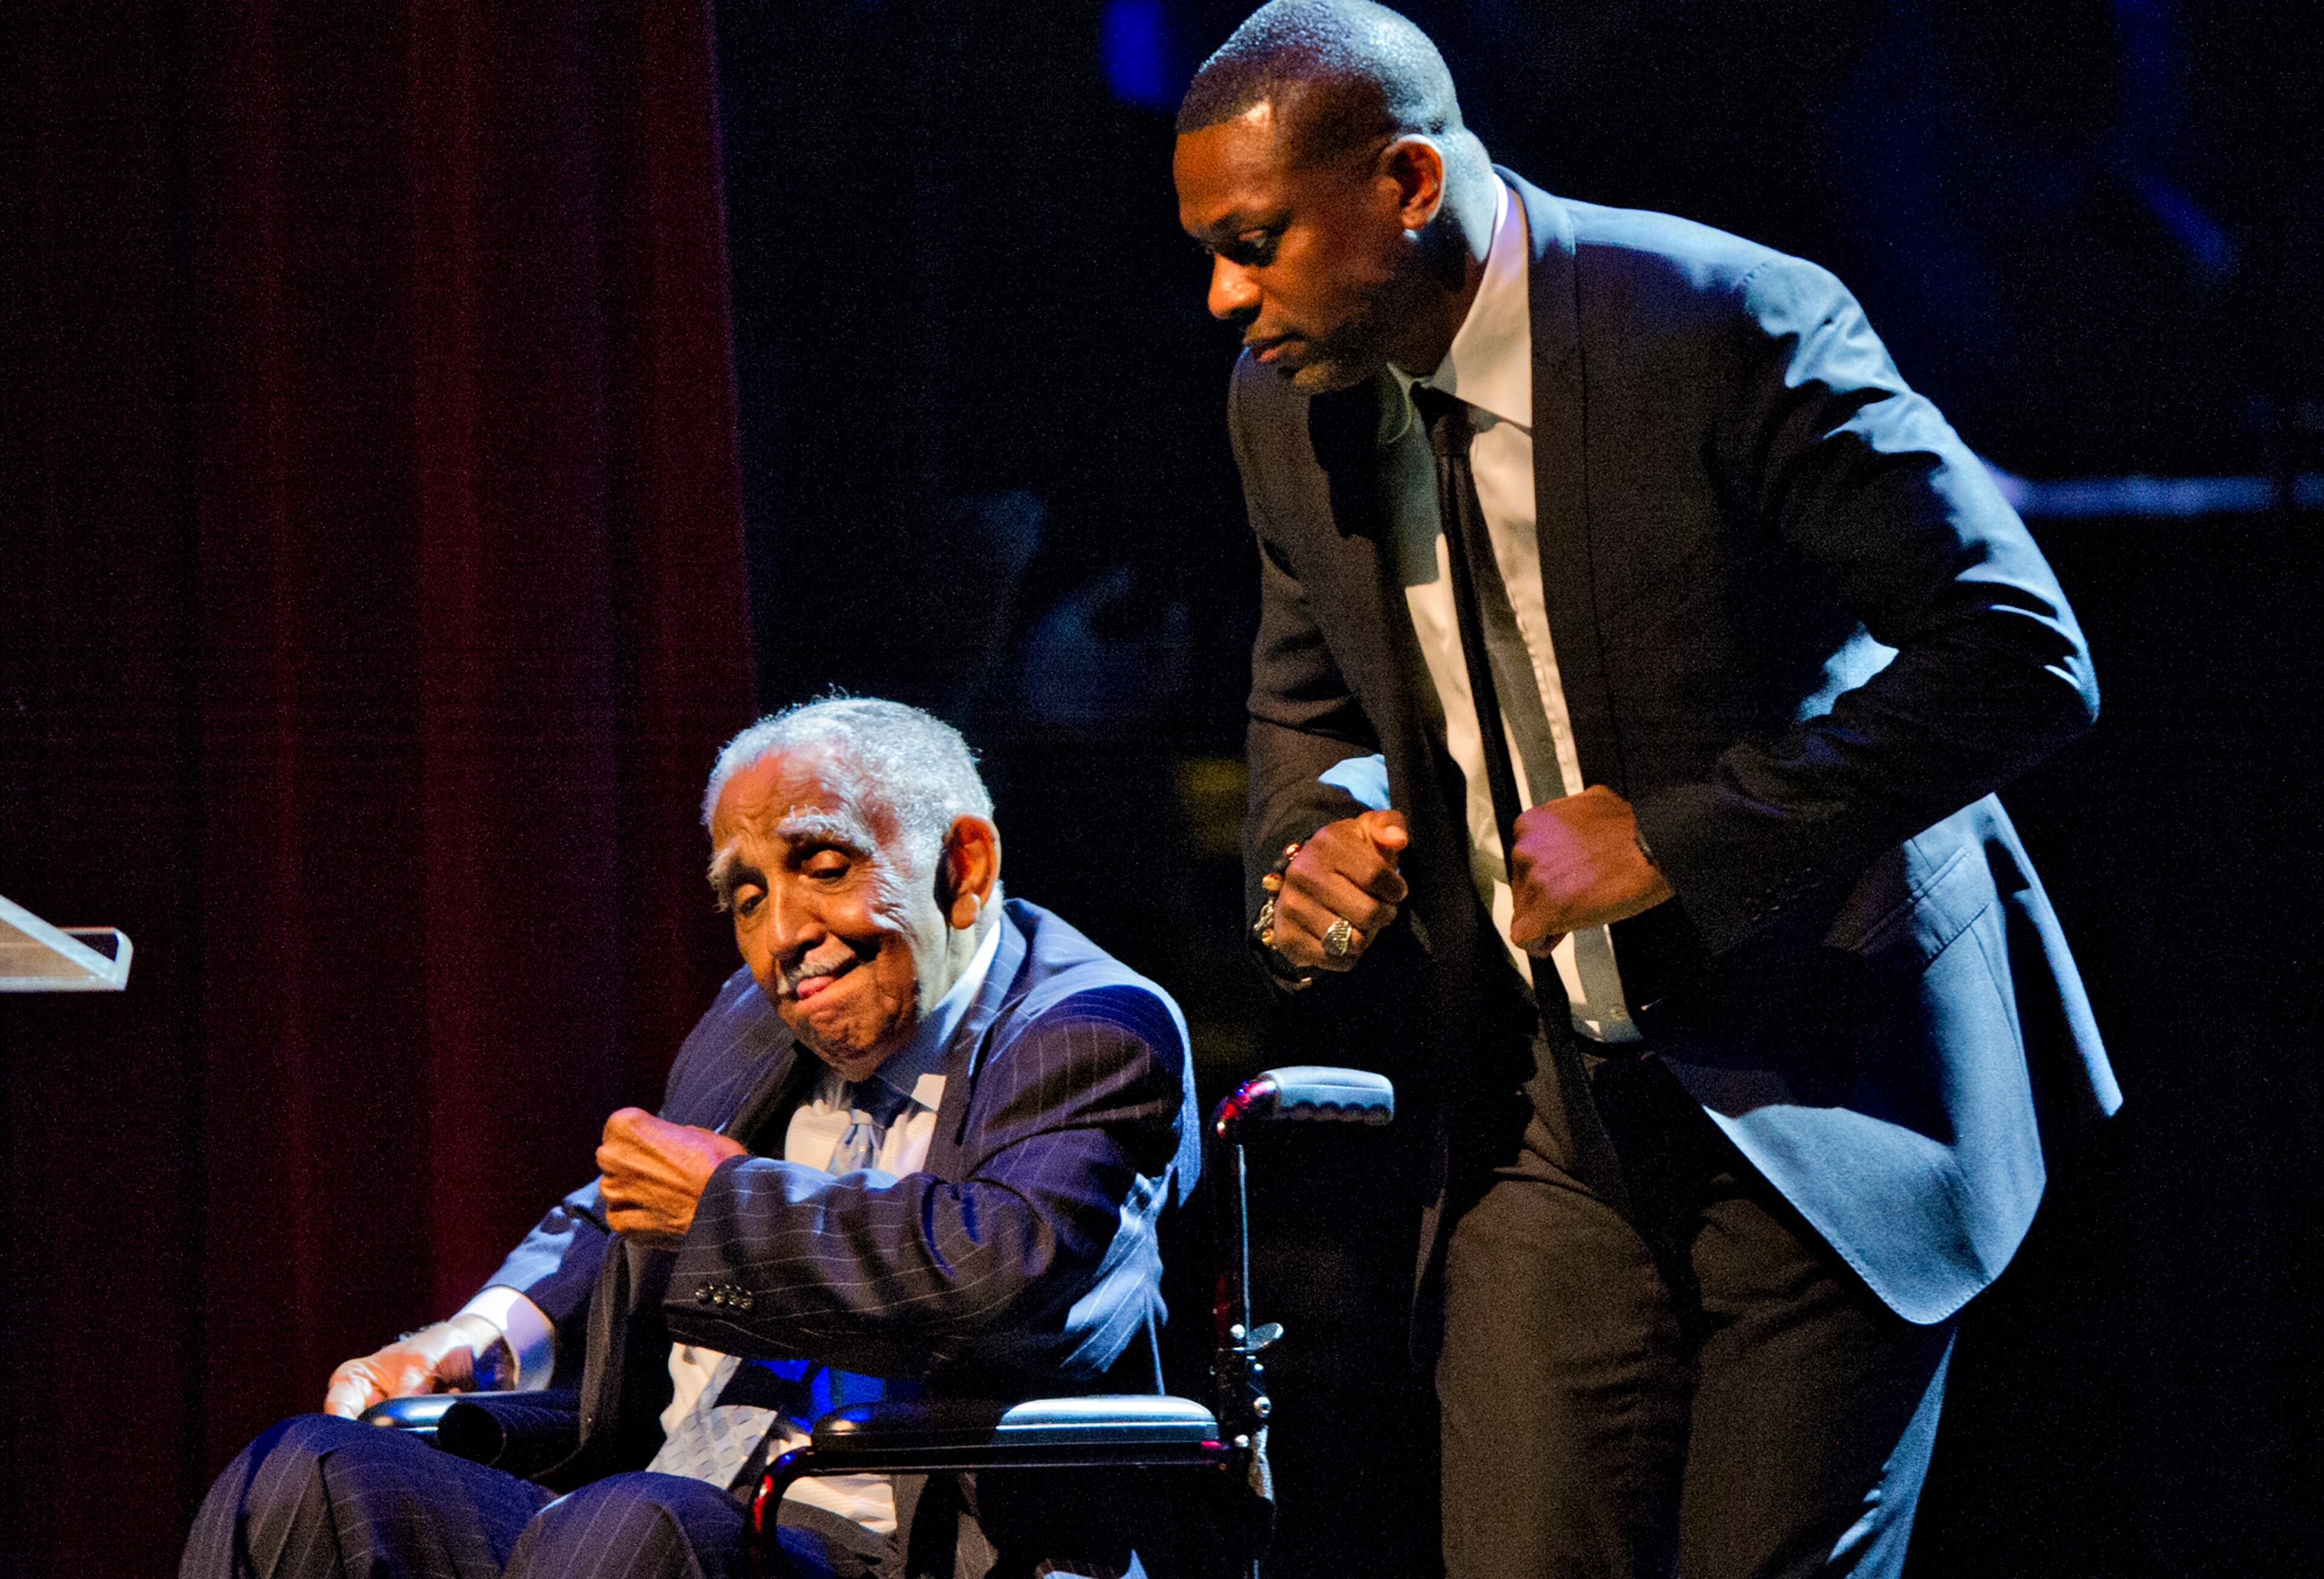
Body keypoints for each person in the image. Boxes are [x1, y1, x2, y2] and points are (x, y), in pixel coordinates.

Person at [1172, 5, 2119, 1577]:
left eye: (1255, 242)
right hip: (1551, 1105)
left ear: (1406, 181)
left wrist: (1683, 840)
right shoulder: (1286, 404)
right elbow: (1309, 696)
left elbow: (2021, 652)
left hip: (1830, 1072)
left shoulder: (1717, 318)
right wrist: (1314, 834)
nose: (1224, 295)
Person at [183, 697, 1198, 1579]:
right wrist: (473, 1339)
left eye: (823, 863)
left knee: (632, 1524)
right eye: (747, 894)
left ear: (963, 864)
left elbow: (998, 1269)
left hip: (908, 1544)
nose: (782, 935)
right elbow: (623, 1201)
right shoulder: (755, 1015)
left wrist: (726, 1207)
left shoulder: (1095, 1029)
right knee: (303, 1475)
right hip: (663, 1517)